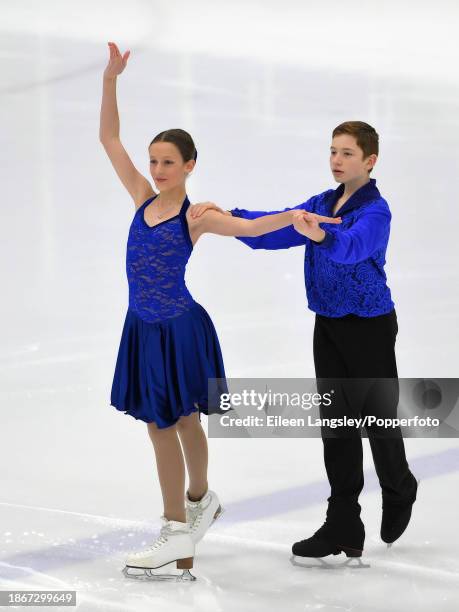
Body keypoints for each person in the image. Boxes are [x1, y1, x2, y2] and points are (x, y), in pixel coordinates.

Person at [99, 42, 341, 581]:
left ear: (189, 166)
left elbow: (252, 228)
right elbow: (109, 139)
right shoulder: (141, 197)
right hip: (143, 326)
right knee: (172, 422)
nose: (158, 170)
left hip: (179, 328)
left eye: (169, 163)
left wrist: (295, 215)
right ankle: (196, 507)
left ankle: (177, 521)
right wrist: (111, 79)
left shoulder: (196, 216)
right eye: (154, 161)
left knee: (177, 423)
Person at [191, 121, 418, 564]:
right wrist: (226, 216)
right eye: (333, 151)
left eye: (348, 153)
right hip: (329, 324)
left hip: (369, 325)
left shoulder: (376, 211)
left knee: (376, 418)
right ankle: (343, 524)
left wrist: (318, 232)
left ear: (369, 161)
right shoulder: (321, 203)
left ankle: (398, 484)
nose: (337, 160)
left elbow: (351, 247)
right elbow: (274, 228)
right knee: (336, 425)